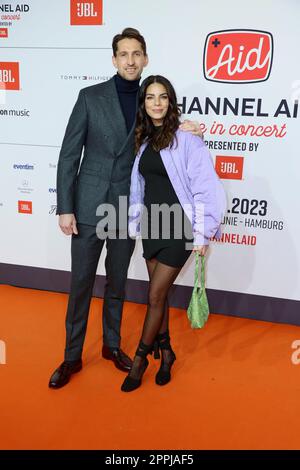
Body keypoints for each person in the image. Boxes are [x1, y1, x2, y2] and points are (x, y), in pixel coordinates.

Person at [49, 29, 202, 389]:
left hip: (125, 206)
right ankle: (71, 356)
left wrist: (186, 127)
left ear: (145, 58)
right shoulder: (89, 97)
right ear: (114, 59)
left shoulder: (149, 100)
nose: (131, 60)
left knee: (116, 282)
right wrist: (65, 207)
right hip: (88, 204)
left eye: (137, 54)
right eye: (124, 54)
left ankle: (112, 346)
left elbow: (165, 129)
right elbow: (69, 155)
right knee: (81, 284)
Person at [121, 75, 226, 392]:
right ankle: (166, 353)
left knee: (154, 295)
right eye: (150, 97)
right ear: (144, 104)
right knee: (160, 295)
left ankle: (141, 359)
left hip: (180, 228)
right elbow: (139, 187)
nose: (156, 103)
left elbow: (206, 188)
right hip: (154, 225)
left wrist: (203, 233)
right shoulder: (142, 141)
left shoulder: (187, 140)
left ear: (170, 102)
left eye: (162, 97)